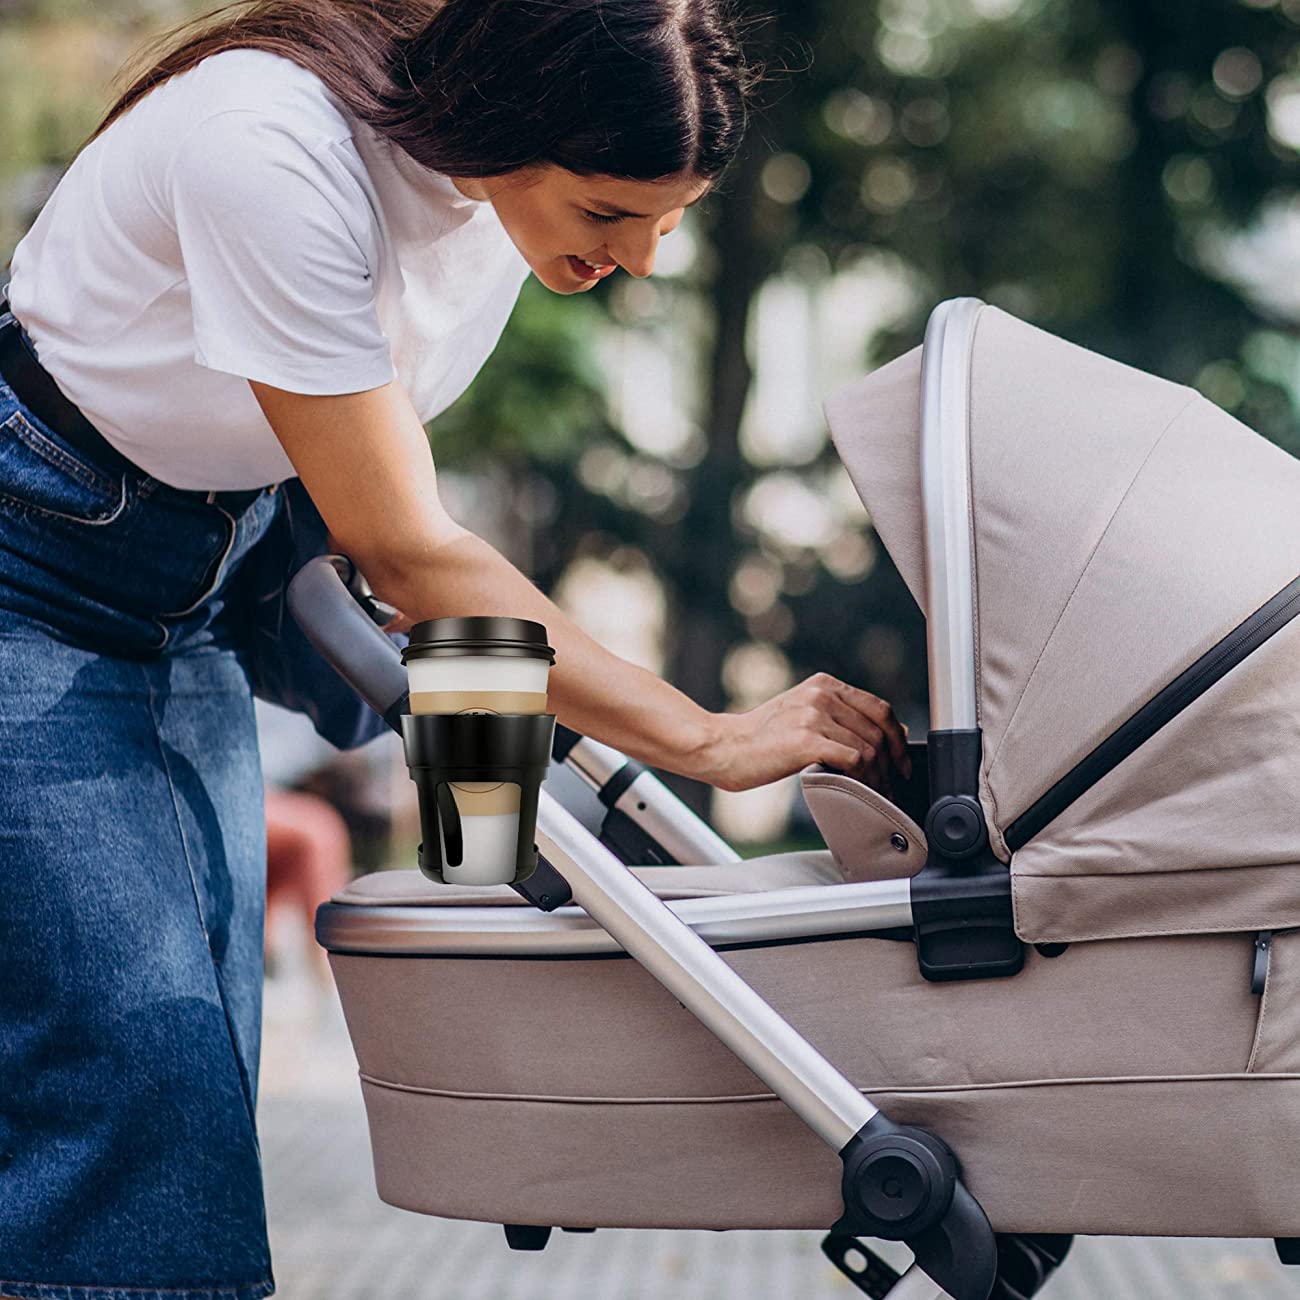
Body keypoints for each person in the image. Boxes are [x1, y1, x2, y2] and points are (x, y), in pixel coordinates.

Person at [0, 2, 910, 1296]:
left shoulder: (491, 191)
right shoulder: (268, 147)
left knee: (204, 1030)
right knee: (129, 1073)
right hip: (32, 559)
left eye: (672, 217)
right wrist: (704, 740)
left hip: (217, 546)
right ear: (507, 124)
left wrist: (488, 859)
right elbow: (415, 558)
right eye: (609, 215)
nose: (643, 259)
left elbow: (402, 531)